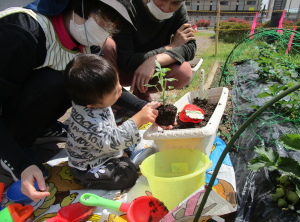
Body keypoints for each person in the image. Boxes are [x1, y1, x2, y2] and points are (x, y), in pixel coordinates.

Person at [0, 0, 148, 202]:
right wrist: (20, 163)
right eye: (105, 19)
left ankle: (41, 129)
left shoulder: (86, 40)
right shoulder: (23, 32)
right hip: (8, 116)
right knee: (55, 80)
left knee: (78, 79)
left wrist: (143, 107)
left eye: (115, 27)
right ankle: (20, 142)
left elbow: (105, 89)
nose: (107, 31)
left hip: (28, 107)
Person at [64, 54, 160, 190]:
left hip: (105, 147)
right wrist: (138, 118)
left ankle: (124, 153)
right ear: (93, 104)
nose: (121, 89)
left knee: (129, 136)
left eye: (119, 83)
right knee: (126, 176)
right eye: (115, 91)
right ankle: (126, 158)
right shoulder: (88, 121)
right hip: (90, 165)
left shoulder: (90, 100)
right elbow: (110, 141)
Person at [101, 0, 197, 101]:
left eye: (175, 3)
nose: (165, 8)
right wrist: (171, 46)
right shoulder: (127, 5)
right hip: (120, 70)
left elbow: (190, 47)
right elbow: (127, 62)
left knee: (184, 71)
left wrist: (154, 61)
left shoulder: (179, 9)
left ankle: (142, 91)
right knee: (107, 45)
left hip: (148, 71)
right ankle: (112, 95)